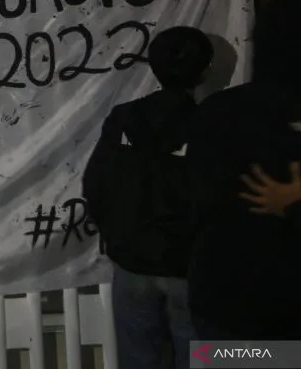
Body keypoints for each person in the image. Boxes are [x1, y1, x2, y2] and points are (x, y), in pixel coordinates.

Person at [82, 26, 213, 369]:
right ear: (204, 72)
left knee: (138, 359)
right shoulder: (211, 124)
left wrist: (118, 236)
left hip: (133, 261)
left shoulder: (124, 118)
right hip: (187, 266)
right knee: (200, 358)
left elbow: (95, 183)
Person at [185, 0, 301, 341]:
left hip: (224, 302)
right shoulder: (223, 113)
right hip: (257, 308)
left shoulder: (218, 112)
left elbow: (198, 196)